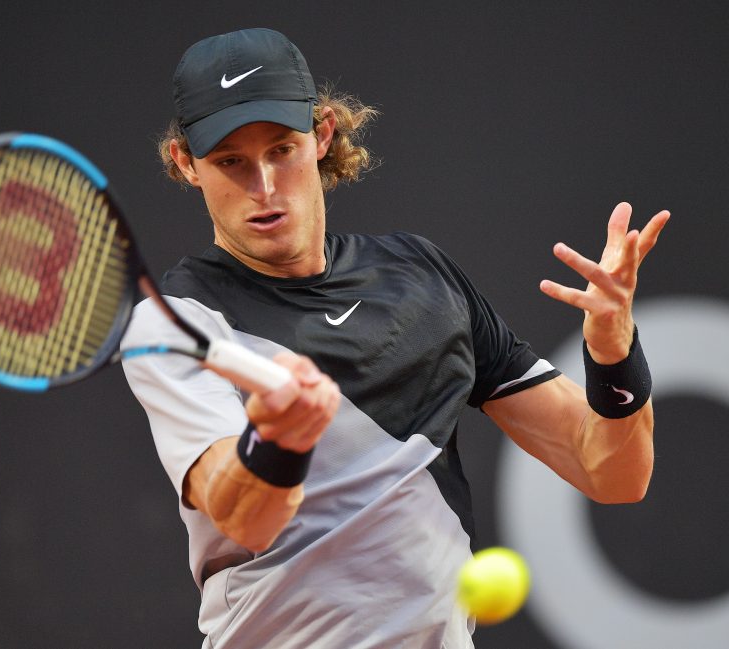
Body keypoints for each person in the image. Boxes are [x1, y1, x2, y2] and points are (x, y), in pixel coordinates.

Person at [122, 27, 669, 649]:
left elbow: (614, 474)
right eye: (230, 162)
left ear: (323, 134)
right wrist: (280, 439)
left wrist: (613, 350)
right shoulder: (181, 324)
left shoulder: (421, 275)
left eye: (281, 150)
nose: (265, 187)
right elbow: (245, 515)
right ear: (185, 164)